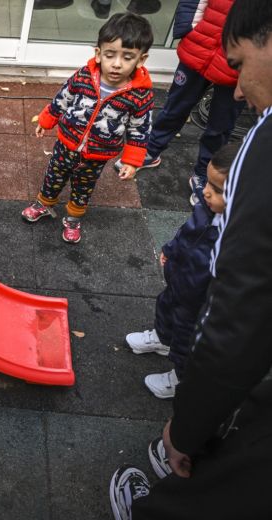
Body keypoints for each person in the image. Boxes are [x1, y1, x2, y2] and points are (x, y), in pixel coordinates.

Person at [110, 1, 272, 517]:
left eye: (241, 64)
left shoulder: (264, 145)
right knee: (172, 315)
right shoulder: (208, 209)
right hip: (181, 288)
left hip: (207, 328)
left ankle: (165, 498)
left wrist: (188, 427)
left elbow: (238, 310)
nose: (240, 89)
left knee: (191, 336)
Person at [22, 13, 154, 244]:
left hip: (97, 154)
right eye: (110, 54)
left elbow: (139, 129)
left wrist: (132, 160)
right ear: (98, 53)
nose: (116, 63)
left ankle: (73, 219)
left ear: (141, 60)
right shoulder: (84, 76)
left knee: (83, 187)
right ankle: (44, 203)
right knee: (54, 175)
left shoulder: (140, 95)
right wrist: (46, 120)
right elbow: (63, 98)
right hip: (67, 143)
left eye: (127, 57)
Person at [125, 142, 238, 399]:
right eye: (208, 184)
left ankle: (180, 378)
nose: (207, 193)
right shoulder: (206, 209)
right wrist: (171, 248)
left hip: (200, 299)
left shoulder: (237, 233)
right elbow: (186, 232)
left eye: (219, 190)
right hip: (179, 279)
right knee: (165, 307)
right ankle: (163, 339)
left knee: (189, 340)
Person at [113, 0, 245, 207]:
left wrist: (253, 68)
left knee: (220, 126)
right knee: (174, 107)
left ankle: (205, 174)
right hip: (198, 49)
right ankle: (151, 149)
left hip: (237, 66)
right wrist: (188, 31)